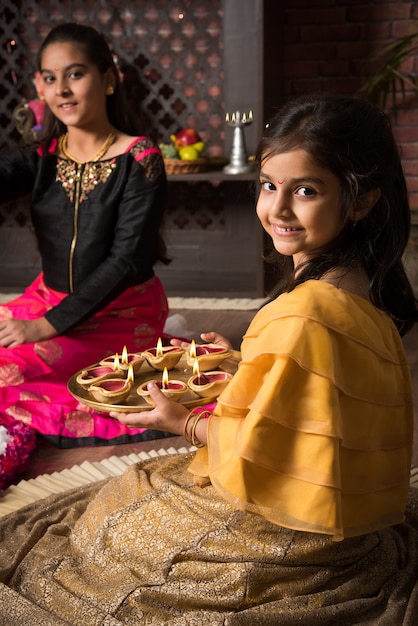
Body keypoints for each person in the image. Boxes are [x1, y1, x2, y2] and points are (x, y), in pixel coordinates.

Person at [1, 93, 418, 625]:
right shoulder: (360, 286)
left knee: (117, 513)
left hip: (293, 530)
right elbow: (316, 406)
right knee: (132, 491)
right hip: (350, 511)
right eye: (269, 186)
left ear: (360, 201)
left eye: (306, 190)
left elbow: (262, 454)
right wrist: (245, 360)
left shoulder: (304, 313)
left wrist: (187, 423)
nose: (279, 209)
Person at [0, 23, 171, 487]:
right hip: (46, 297)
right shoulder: (42, 158)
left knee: (10, 368)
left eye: (75, 74)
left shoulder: (140, 159)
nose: (63, 90)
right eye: (51, 79)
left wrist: (41, 327)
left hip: (119, 309)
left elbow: (127, 261)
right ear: (38, 86)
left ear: (108, 78)